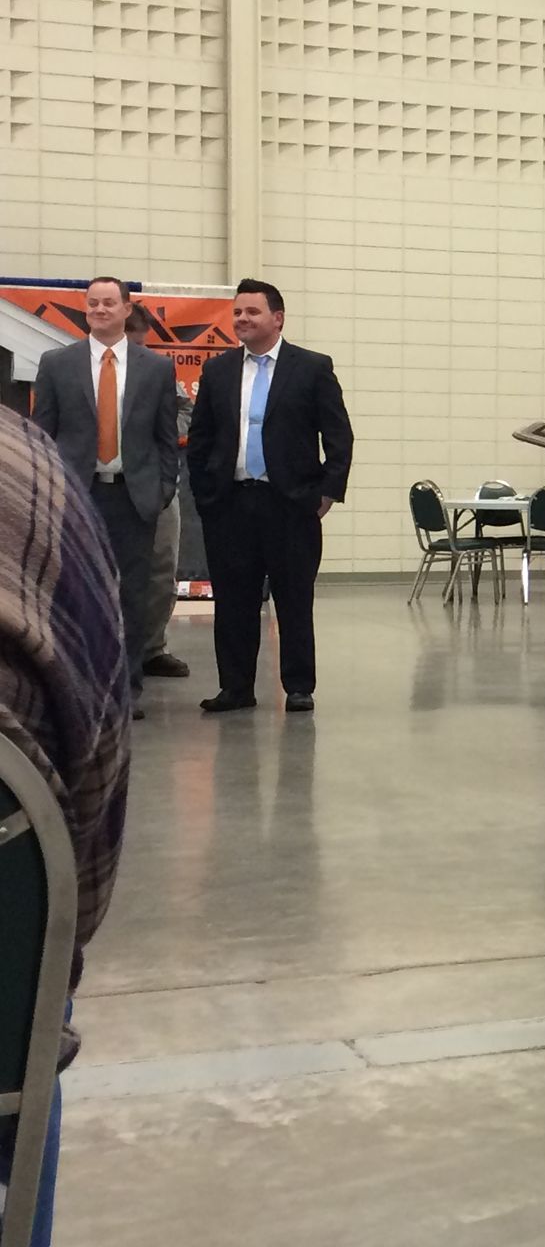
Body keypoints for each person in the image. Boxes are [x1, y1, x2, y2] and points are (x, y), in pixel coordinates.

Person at [0, 407, 133, 1247]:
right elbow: (100, 778)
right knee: (32, 990)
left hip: (146, 496)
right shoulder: (31, 471)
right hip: (7, 983)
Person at [186, 279, 354, 714]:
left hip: (291, 505)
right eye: (237, 313)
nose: (242, 319)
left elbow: (339, 436)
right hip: (231, 504)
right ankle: (236, 688)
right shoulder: (219, 371)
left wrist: (327, 493)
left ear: (277, 318)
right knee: (234, 599)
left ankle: (298, 686)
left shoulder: (312, 368)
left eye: (252, 312)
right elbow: (200, 438)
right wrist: (206, 494)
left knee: (294, 597)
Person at [29, 275, 179, 718]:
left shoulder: (155, 368)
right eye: (92, 303)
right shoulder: (58, 363)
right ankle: (78, 684)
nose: (100, 309)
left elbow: (165, 438)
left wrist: (162, 488)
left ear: (126, 309)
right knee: (76, 592)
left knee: (132, 595)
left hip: (134, 499)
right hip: (77, 495)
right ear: (85, 309)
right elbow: (43, 432)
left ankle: (126, 687)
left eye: (109, 303)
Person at [125, 304, 193, 680]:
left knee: (161, 567)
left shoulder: (157, 370)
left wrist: (158, 430)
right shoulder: (84, 369)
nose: (139, 351)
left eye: (141, 344)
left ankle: (152, 648)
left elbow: (187, 410)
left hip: (156, 485)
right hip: (106, 487)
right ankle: (113, 654)